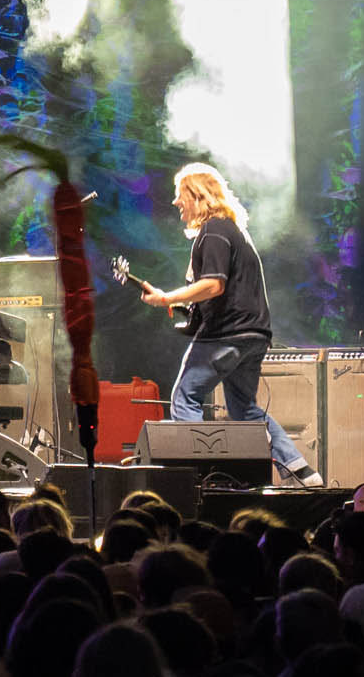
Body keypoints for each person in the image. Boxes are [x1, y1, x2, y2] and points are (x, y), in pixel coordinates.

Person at [138, 163, 324, 487]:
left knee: (185, 397)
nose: (174, 202)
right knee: (245, 410)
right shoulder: (231, 231)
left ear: (197, 195)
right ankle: (300, 471)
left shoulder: (214, 230)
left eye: (179, 194)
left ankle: (197, 477)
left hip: (227, 335)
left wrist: (167, 298)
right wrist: (180, 302)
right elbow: (220, 289)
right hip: (253, 337)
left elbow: (214, 285)